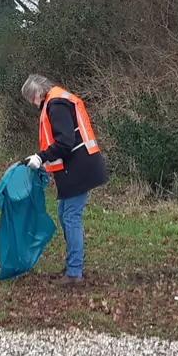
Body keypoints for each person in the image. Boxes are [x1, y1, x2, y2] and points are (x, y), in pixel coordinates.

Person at [21, 74, 108, 285]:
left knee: (70, 218)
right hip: (76, 168)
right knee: (64, 214)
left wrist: (41, 158)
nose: (33, 104)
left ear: (37, 93)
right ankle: (72, 266)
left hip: (78, 169)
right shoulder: (57, 100)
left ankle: (74, 273)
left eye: (32, 99)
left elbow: (65, 142)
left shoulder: (56, 105)